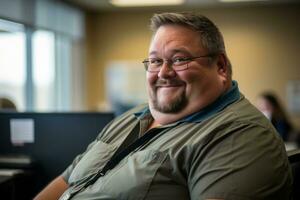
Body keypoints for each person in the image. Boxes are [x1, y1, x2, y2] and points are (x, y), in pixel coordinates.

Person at [34, 12, 292, 200]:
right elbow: (68, 181)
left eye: (179, 59)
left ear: (221, 67)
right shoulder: (131, 117)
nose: (163, 72)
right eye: (155, 61)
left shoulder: (239, 135)